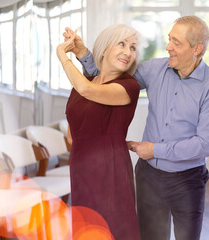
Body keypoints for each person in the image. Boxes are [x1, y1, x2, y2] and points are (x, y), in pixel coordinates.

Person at [65, 16, 209, 240]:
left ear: (196, 49)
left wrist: (155, 150)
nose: (168, 46)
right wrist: (83, 54)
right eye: (169, 39)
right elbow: (110, 77)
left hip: (187, 181)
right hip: (148, 177)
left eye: (176, 43)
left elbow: (204, 144)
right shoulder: (155, 69)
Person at [57, 24, 141, 239]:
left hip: (109, 168)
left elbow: (87, 91)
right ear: (104, 49)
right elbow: (71, 133)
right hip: (81, 166)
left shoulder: (129, 85)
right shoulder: (85, 81)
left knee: (111, 227)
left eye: (132, 47)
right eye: (121, 44)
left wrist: (63, 56)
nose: (128, 52)